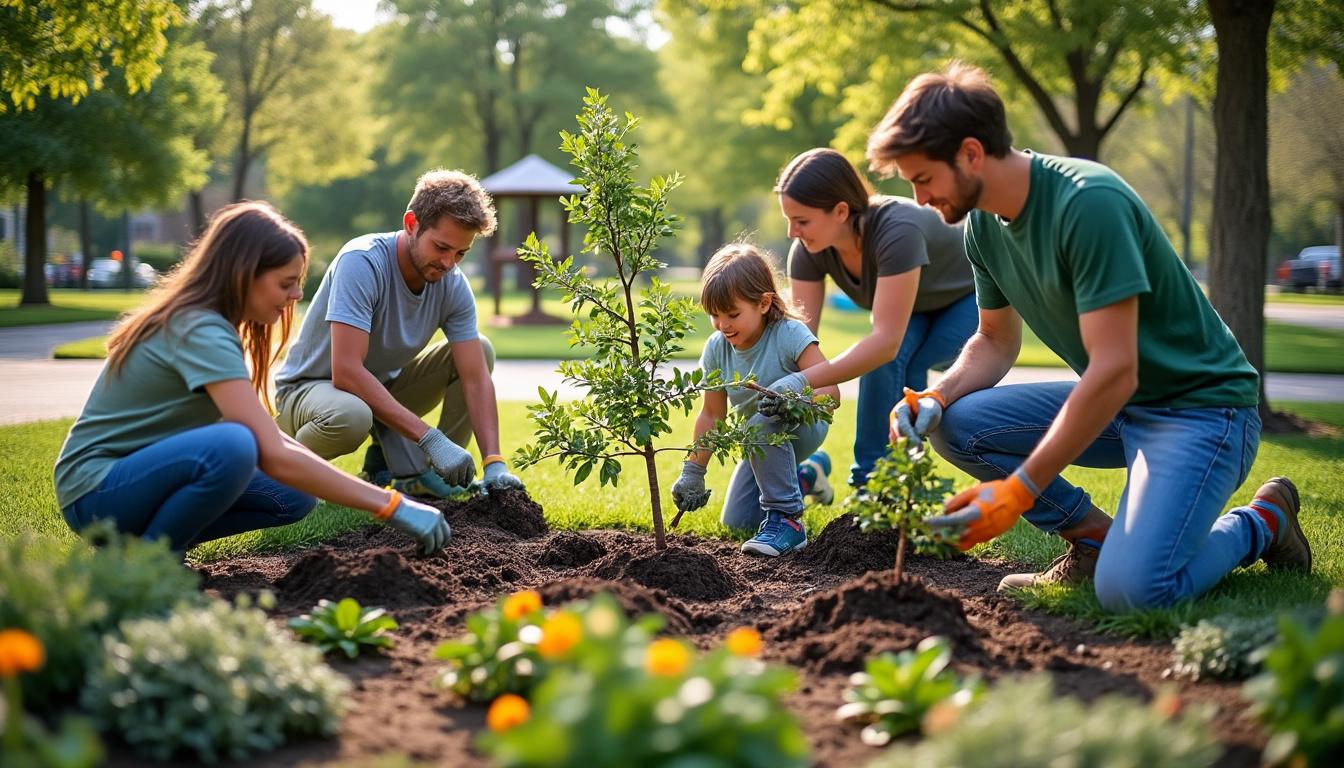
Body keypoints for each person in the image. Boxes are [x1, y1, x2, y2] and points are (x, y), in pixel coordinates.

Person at [868, 62, 1311, 610]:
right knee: (957, 424)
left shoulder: (1087, 204)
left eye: (923, 179)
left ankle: (1260, 523)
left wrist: (1018, 491)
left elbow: (1115, 369)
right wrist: (937, 396)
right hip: (1119, 408)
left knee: (1135, 593)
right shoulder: (982, 226)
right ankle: (1094, 540)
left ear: (971, 154)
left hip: (1201, 409)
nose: (917, 200)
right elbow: (993, 341)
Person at [54, 202, 451, 555]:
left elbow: (274, 441)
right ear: (244, 273)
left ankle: (145, 545)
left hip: (137, 480)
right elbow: (264, 448)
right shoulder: (199, 329)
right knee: (233, 447)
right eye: (285, 282)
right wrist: (391, 505)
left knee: (295, 495)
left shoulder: (214, 327)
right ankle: (154, 562)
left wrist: (384, 500)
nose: (296, 295)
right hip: (95, 490)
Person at [275, 169, 524, 500]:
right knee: (351, 415)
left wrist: (494, 462)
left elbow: (475, 377)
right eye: (441, 247)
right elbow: (346, 372)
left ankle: (418, 474)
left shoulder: (452, 283)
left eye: (461, 253)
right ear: (411, 223)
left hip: (381, 390)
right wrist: (429, 437)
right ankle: (277, 468)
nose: (449, 263)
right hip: (312, 391)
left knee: (481, 349)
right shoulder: (362, 262)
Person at [776, 148, 978, 489]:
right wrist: (785, 393)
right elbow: (800, 341)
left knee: (899, 360)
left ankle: (884, 485)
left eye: (802, 220)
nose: (792, 232)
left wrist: (803, 382)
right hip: (915, 309)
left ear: (841, 211)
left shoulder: (897, 230)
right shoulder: (810, 250)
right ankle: (877, 485)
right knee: (886, 360)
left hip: (968, 298)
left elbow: (885, 343)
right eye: (788, 220)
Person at [670, 243, 842, 557]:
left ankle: (787, 521)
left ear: (763, 303)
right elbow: (712, 416)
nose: (723, 325)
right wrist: (693, 472)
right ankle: (805, 478)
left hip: (804, 427)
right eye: (714, 315)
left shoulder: (789, 334)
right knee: (738, 521)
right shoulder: (716, 348)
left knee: (762, 423)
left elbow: (830, 393)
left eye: (732, 314)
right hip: (759, 441)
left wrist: (792, 397)